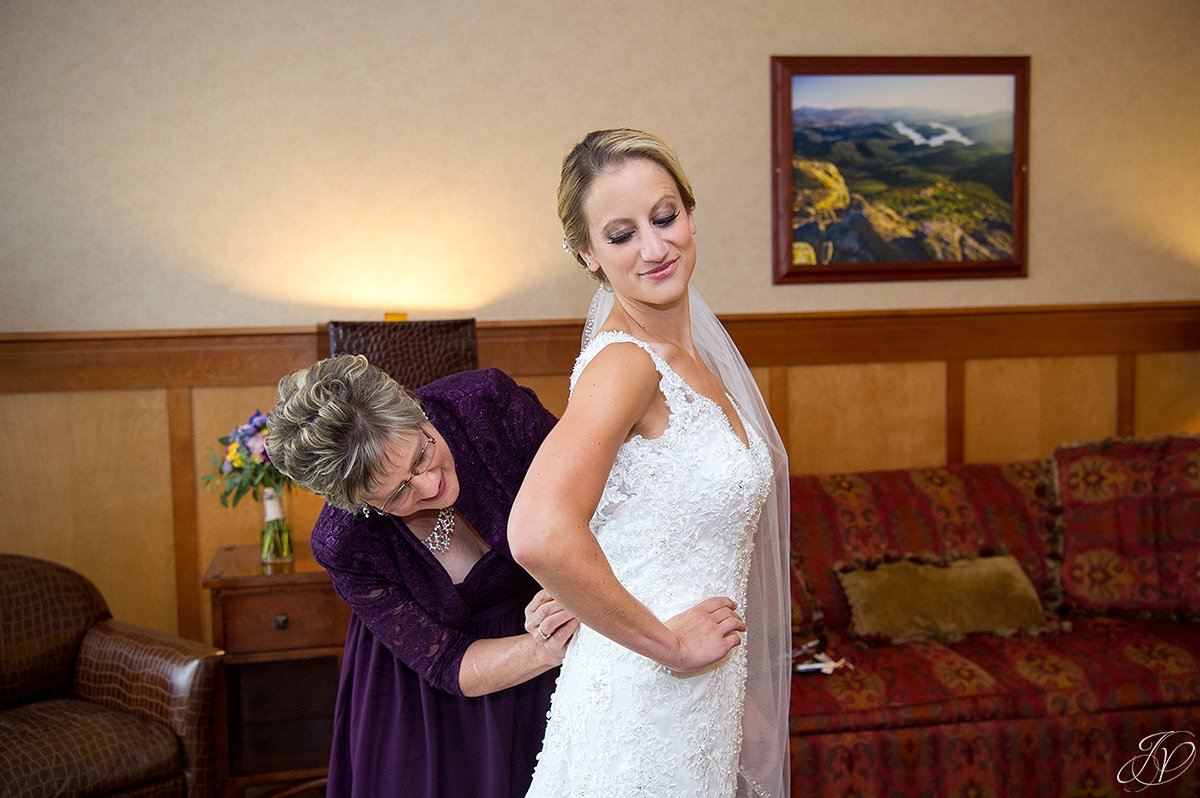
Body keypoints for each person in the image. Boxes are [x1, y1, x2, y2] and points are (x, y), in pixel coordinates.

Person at [509, 129, 791, 797]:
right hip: (642, 703)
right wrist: (671, 646)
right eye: (621, 234)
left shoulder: (694, 359)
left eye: (665, 218)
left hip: (702, 700)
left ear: (689, 214)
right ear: (588, 253)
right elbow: (539, 531)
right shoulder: (625, 365)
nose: (656, 247)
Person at [266, 355, 579, 798]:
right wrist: (546, 649)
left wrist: (575, 589)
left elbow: (593, 495)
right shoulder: (345, 543)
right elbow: (448, 662)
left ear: (417, 413)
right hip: (429, 686)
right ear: (360, 505)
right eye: (397, 493)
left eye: (423, 452)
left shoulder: (483, 404)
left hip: (549, 612)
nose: (429, 486)